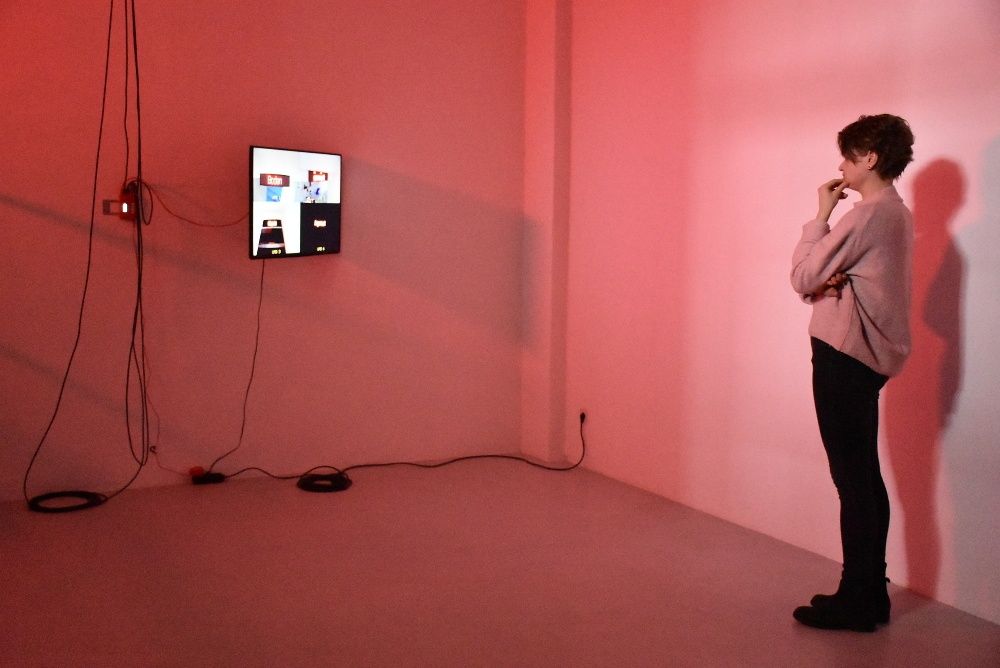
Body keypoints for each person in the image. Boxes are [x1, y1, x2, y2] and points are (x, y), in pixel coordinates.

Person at [789, 114, 915, 632]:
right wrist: (827, 279)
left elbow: (802, 275)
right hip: (863, 361)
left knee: (854, 481)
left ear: (869, 158)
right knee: (863, 477)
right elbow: (821, 280)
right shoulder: (896, 214)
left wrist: (820, 216)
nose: (841, 166)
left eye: (847, 155)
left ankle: (858, 599)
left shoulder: (865, 217)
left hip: (844, 358)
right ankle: (869, 594)